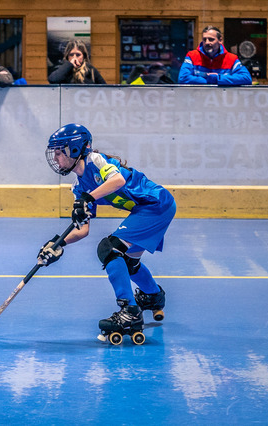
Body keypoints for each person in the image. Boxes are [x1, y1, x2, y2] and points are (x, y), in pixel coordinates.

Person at [38, 123, 176, 343]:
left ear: (75, 149)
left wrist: (88, 198)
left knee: (109, 249)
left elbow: (117, 180)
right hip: (145, 209)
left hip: (156, 204)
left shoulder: (96, 161)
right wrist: (57, 243)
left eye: (59, 152)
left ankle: (129, 312)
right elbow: (82, 230)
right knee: (128, 262)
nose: (55, 158)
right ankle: (153, 296)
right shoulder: (79, 187)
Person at [178, 26, 251, 85]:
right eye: (204, 39)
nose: (207, 42)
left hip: (223, 98)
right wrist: (208, 81)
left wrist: (218, 78)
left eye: (211, 39)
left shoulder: (232, 58)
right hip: (198, 97)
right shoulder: (192, 56)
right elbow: (183, 78)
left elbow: (246, 78)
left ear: (220, 40)